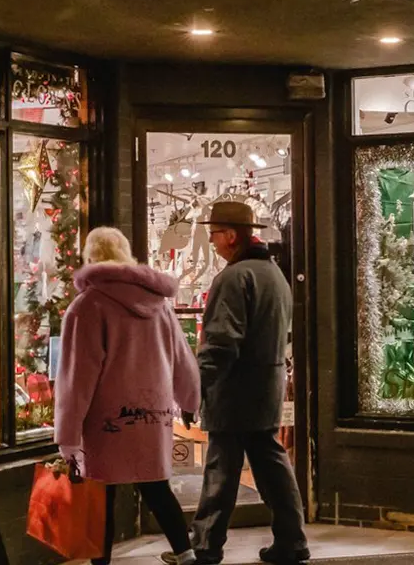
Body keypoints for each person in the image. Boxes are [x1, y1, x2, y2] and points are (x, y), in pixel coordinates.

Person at [165, 201, 309, 565]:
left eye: (213, 234)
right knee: (271, 464)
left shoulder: (233, 278)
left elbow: (221, 342)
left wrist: (195, 388)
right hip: (266, 387)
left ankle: (205, 546)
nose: (211, 242)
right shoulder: (274, 275)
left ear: (231, 236)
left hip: (235, 391)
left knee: (221, 469)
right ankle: (291, 541)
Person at [54, 226, 200, 565]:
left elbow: (77, 377)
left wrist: (68, 436)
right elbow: (181, 357)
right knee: (155, 485)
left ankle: (100, 563)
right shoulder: (158, 304)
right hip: (152, 414)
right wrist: (190, 401)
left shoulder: (87, 307)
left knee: (100, 493)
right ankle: (186, 551)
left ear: (90, 257)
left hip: (107, 422)